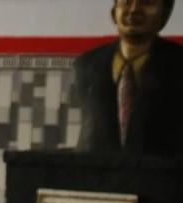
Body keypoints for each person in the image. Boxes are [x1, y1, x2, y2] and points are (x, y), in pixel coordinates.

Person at [74, 0, 183, 156]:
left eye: (147, 3)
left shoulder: (178, 63)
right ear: (114, 13)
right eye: (126, 2)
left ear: (164, 15)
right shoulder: (86, 65)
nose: (133, 10)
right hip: (95, 170)